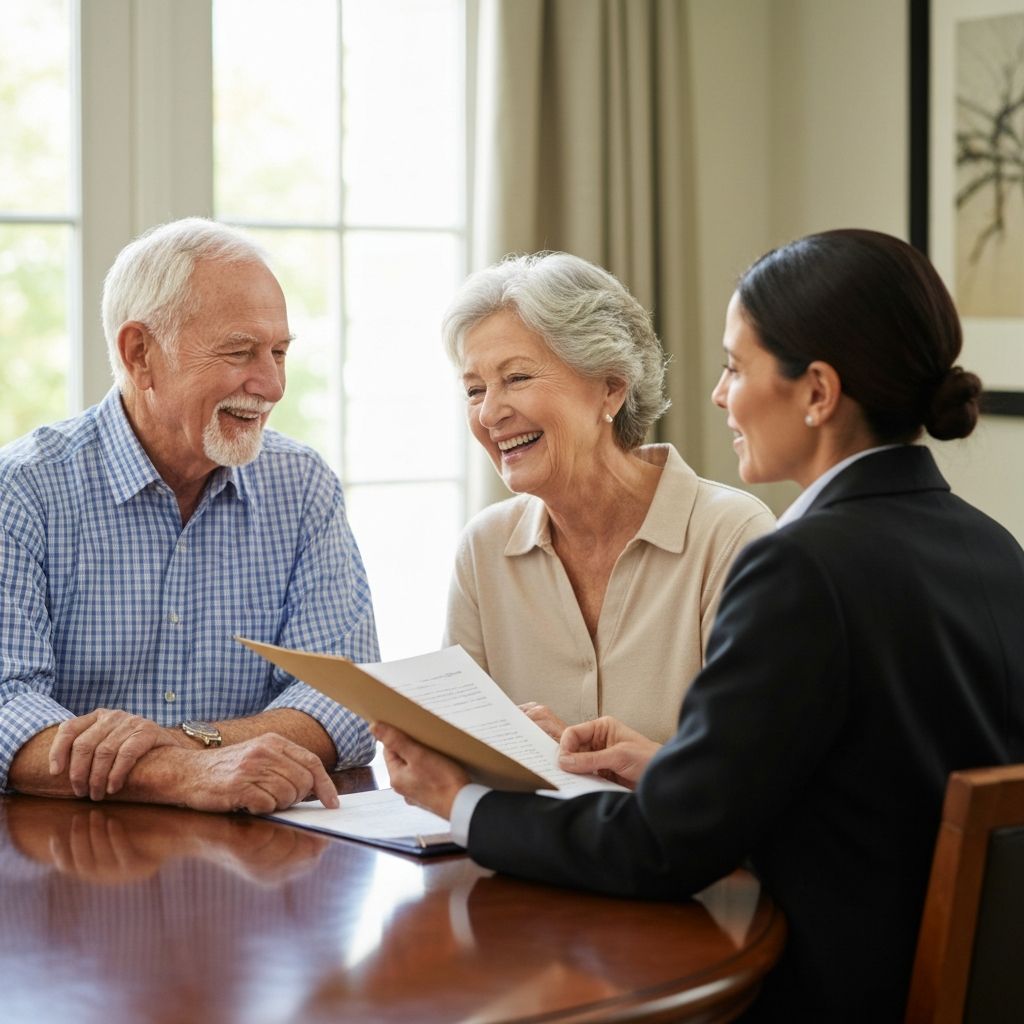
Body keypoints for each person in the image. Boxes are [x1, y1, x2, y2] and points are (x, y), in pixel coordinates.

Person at [376, 229, 1024, 1022]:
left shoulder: (797, 566)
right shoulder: (995, 547)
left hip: (809, 991)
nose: (719, 395)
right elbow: (868, 781)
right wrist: (674, 768)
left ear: (817, 392)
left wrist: (460, 801)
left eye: (735, 367)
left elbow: (663, 848)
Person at [0, 218, 378, 814]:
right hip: (73, 862)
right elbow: (6, 709)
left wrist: (188, 746)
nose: (273, 384)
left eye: (279, 352)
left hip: (266, 854)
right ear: (139, 354)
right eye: (239, 352)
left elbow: (347, 701)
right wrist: (180, 774)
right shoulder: (24, 489)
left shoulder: (303, 486)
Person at [442, 252, 773, 743]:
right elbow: (459, 741)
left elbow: (755, 767)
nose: (489, 413)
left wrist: (586, 764)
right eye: (474, 390)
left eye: (517, 378)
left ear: (611, 389)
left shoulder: (732, 537)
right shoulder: (484, 548)